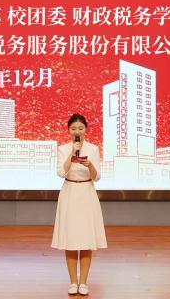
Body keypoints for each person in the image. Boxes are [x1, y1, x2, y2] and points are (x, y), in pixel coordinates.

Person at [51, 113, 107, 296]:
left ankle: (83, 282)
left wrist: (89, 165)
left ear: (86, 130)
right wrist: (72, 154)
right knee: (71, 239)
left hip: (87, 193)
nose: (77, 131)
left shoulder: (93, 149)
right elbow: (61, 172)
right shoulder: (63, 149)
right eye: (74, 128)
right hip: (69, 192)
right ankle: (72, 282)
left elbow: (96, 177)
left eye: (81, 128)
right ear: (68, 130)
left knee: (86, 239)